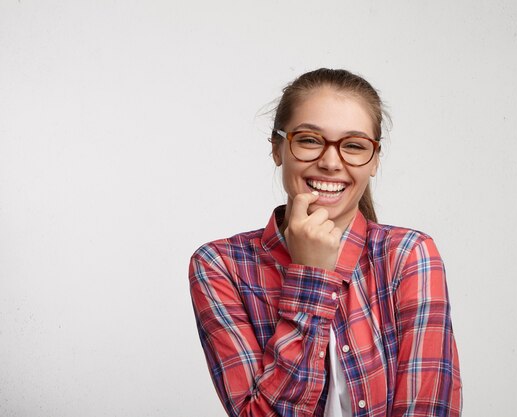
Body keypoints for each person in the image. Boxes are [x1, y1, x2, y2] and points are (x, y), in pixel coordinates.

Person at [189, 68, 462, 417]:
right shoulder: (219, 265)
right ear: (277, 148)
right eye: (309, 140)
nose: (331, 162)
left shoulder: (409, 255)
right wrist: (311, 277)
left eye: (353, 146)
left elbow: (427, 408)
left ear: (375, 160)